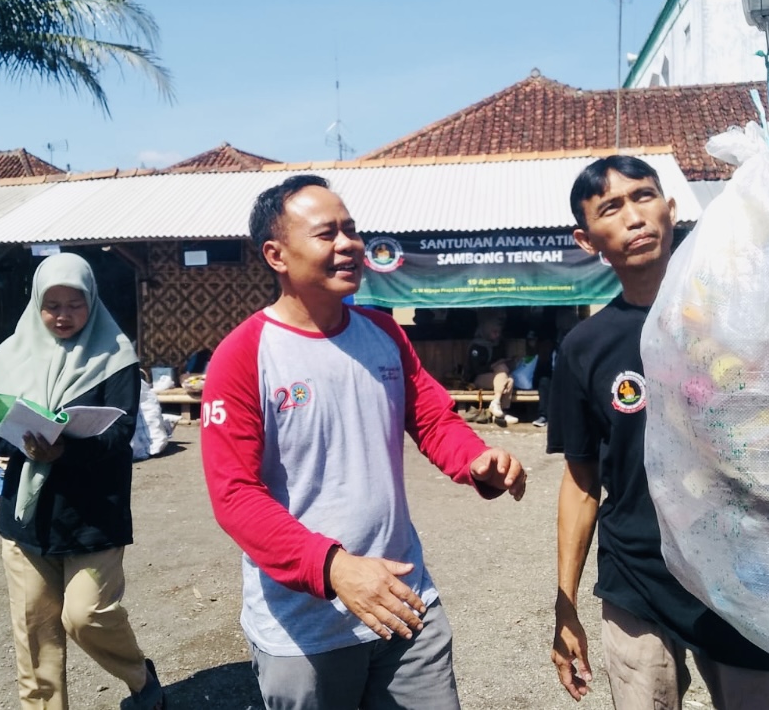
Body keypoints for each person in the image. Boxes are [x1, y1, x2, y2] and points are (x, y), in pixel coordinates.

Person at [201, 174, 527, 710]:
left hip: (406, 603)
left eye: (351, 230)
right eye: (327, 233)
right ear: (276, 254)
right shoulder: (244, 355)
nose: (349, 244)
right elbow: (234, 495)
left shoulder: (384, 332)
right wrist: (332, 567)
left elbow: (432, 418)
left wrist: (476, 460)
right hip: (305, 627)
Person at [547, 156, 769, 709]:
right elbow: (581, 479)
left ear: (671, 208)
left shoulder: (739, 317)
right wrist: (565, 601)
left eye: (642, 197)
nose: (633, 217)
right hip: (637, 577)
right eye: (610, 208)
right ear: (587, 238)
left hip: (742, 571)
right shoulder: (583, 348)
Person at [0, 253, 164, 710]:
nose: (63, 315)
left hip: (93, 514)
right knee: (35, 633)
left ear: (92, 302)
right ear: (36, 305)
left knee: (86, 614)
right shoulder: (11, 359)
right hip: (27, 518)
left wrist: (65, 450)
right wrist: (26, 444)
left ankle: (139, 675)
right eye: (52, 304)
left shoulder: (115, 359)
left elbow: (119, 436)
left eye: (75, 304)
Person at [464, 314, 518, 425]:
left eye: (498, 332)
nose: (497, 335)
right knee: (502, 370)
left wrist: (510, 362)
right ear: (486, 330)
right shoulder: (476, 346)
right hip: (477, 378)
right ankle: (498, 408)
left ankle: (498, 409)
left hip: (496, 377)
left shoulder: (499, 344)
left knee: (510, 379)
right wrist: (495, 365)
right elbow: (476, 369)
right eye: (494, 332)